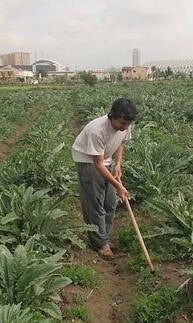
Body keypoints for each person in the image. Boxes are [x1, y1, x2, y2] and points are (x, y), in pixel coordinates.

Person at [72, 98, 137, 259]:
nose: (124, 128)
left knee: (110, 203)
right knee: (95, 204)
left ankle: (104, 237)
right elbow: (98, 164)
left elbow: (120, 143)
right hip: (87, 161)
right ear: (112, 116)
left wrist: (118, 165)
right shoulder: (97, 130)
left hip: (105, 160)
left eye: (127, 125)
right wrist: (118, 186)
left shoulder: (125, 125)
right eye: (122, 124)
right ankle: (100, 243)